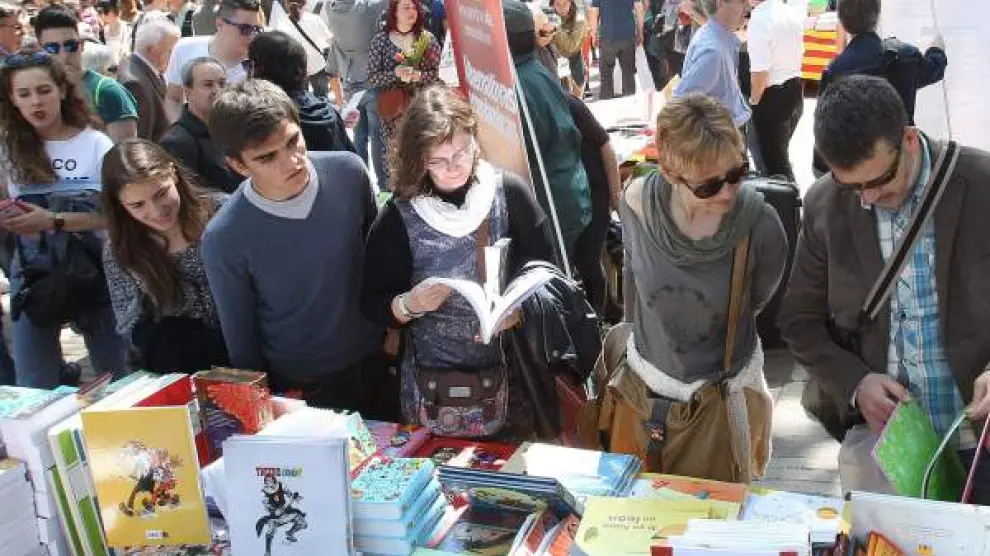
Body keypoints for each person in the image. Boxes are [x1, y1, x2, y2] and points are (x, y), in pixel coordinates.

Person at [778, 76, 990, 505]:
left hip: (979, 439)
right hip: (890, 450)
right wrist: (856, 383)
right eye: (852, 185)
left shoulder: (981, 182)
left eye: (880, 180)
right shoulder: (824, 204)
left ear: (909, 139)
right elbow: (798, 321)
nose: (868, 198)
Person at [362, 85, 553, 438]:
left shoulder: (508, 193)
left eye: (462, 152)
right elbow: (371, 303)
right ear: (419, 159)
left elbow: (548, 274)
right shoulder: (399, 217)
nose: (454, 167)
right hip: (431, 386)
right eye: (439, 160)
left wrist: (520, 311)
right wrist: (409, 304)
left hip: (510, 378)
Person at [619, 94, 787, 480]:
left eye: (737, 173)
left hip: (723, 399)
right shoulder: (633, 204)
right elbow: (632, 276)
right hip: (645, 392)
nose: (727, 192)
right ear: (669, 173)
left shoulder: (760, 225)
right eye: (708, 186)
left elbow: (758, 299)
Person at [202, 79, 390, 416]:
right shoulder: (224, 237)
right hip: (303, 388)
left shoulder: (349, 173)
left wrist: (394, 335)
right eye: (267, 157)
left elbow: (382, 264)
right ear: (239, 165)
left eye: (293, 141)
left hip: (379, 362)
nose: (290, 161)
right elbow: (241, 339)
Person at [0, 50, 128, 387]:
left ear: (61, 90)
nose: (35, 102)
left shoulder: (95, 143)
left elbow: (116, 214)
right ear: (12, 100)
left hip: (95, 267)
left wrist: (54, 219)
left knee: (115, 373)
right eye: (24, 94)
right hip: (33, 271)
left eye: (43, 90)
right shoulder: (8, 149)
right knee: (33, 379)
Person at [100, 139, 229, 373]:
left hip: (248, 350)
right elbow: (128, 324)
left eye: (161, 194)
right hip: (181, 368)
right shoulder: (121, 249)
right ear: (120, 205)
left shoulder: (222, 212)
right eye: (138, 205)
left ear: (173, 173)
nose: (156, 211)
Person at [812, 0, 947, 176]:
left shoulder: (835, 70)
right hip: (902, 157)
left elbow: (826, 124)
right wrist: (937, 50)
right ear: (877, 15)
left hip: (856, 163)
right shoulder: (905, 55)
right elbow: (931, 72)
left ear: (841, 20)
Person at [504, 0, 591, 267]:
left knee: (562, 274)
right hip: (567, 193)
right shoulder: (533, 72)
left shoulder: (519, 85)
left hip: (554, 203)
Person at [33, 4, 139, 142]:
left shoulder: (108, 92)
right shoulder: (34, 94)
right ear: (39, 50)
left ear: (81, 45)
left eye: (70, 45)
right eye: (52, 48)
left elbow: (125, 151)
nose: (64, 55)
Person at [367, 0, 442, 187]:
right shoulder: (381, 41)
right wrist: (395, 73)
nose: (412, 11)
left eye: (414, 7)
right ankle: (397, 190)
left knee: (423, 149)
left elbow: (440, 74)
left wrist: (419, 75)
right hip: (394, 111)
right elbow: (372, 77)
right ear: (394, 12)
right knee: (396, 152)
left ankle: (425, 187)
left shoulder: (426, 39)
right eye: (406, 7)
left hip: (422, 108)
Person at [247, 31, 354, 154]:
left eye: (248, 64)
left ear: (258, 69)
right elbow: (352, 159)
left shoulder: (263, 124)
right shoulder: (328, 112)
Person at [566, 93, 621, 319]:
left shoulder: (569, 104)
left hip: (594, 194)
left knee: (589, 261)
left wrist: (615, 195)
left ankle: (602, 315)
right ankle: (606, 311)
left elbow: (605, 143)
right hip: (570, 201)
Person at [164, 0, 263, 121]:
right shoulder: (185, 48)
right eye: (245, 29)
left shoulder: (259, 63)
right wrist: (180, 128)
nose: (252, 35)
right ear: (220, 24)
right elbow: (173, 98)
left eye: (257, 29)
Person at [323, 0, 387, 183]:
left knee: (359, 136)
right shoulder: (368, 8)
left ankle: (361, 180)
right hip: (373, 80)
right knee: (377, 137)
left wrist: (339, 99)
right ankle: (383, 184)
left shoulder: (331, 9)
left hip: (349, 82)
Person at [160, 57, 243, 192]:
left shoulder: (232, 130)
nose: (218, 91)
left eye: (222, 84)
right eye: (208, 85)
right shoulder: (176, 142)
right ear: (188, 91)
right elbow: (190, 194)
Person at [746, 0, 803, 181]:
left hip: (772, 98)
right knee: (779, 158)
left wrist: (753, 102)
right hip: (795, 89)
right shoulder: (789, 12)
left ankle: (789, 198)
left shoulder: (759, 18)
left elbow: (760, 71)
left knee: (775, 168)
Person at [673, 0, 750, 131]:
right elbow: (681, 104)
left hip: (724, 132)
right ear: (720, 3)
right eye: (742, 1)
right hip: (719, 136)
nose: (748, 6)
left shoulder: (721, 40)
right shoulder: (713, 52)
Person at [118, 13, 180, 140]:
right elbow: (142, 140)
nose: (174, 56)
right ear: (152, 50)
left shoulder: (138, 65)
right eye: (170, 51)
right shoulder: (135, 85)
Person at [588, 0, 643, 99]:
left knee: (606, 76)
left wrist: (594, 34)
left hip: (607, 36)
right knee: (628, 74)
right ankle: (630, 102)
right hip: (627, 36)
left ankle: (606, 102)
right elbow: (639, 8)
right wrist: (640, 32)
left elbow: (593, 11)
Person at [281, 0, 333, 99]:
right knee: (322, 98)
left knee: (302, 100)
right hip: (317, 65)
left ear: (286, 4)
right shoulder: (315, 19)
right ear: (305, 3)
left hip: (298, 68)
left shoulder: (282, 24)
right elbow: (328, 39)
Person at [551, 0, 587, 97]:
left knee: (575, 101)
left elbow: (570, 47)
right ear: (553, 5)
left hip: (574, 68)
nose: (561, 8)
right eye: (558, 4)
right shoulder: (550, 18)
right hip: (554, 66)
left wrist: (556, 28)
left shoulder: (579, 20)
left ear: (570, 3)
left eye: (565, 4)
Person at [95, 0, 130, 66]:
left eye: (100, 12)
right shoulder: (104, 30)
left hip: (124, 67)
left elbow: (127, 51)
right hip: (109, 68)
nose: (99, 15)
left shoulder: (127, 28)